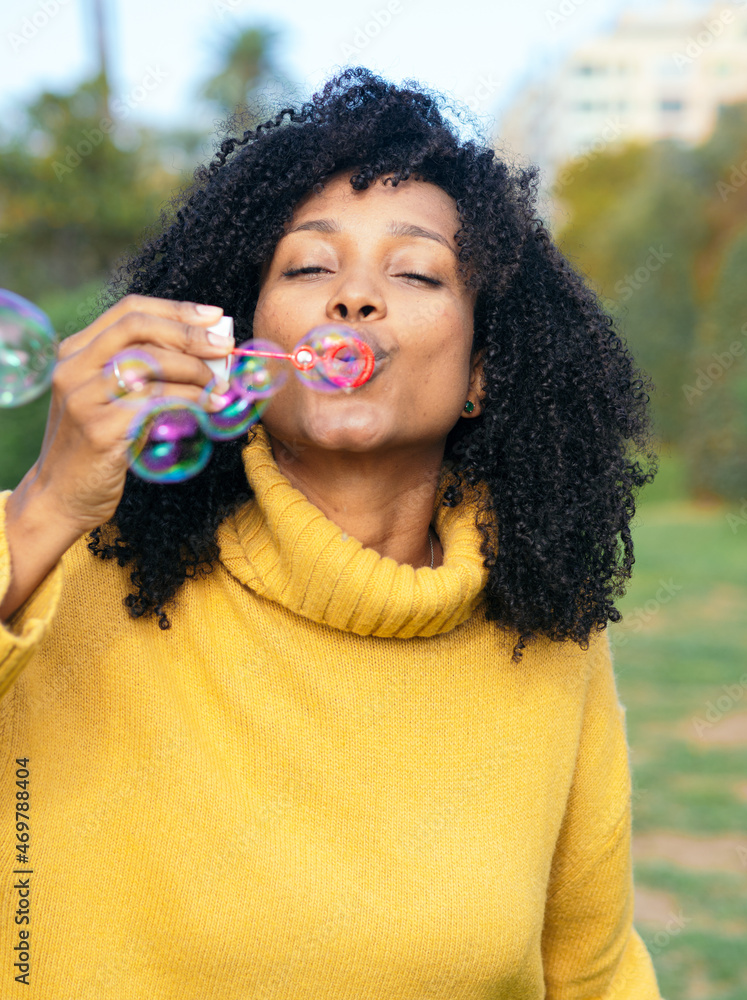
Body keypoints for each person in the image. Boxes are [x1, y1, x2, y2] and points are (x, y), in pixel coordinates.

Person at [0, 68, 663, 997]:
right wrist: (44, 505)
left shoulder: (548, 631)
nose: (352, 298)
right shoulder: (70, 569)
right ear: (240, 343)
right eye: (309, 266)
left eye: (416, 270)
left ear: (483, 372)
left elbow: (592, 976)